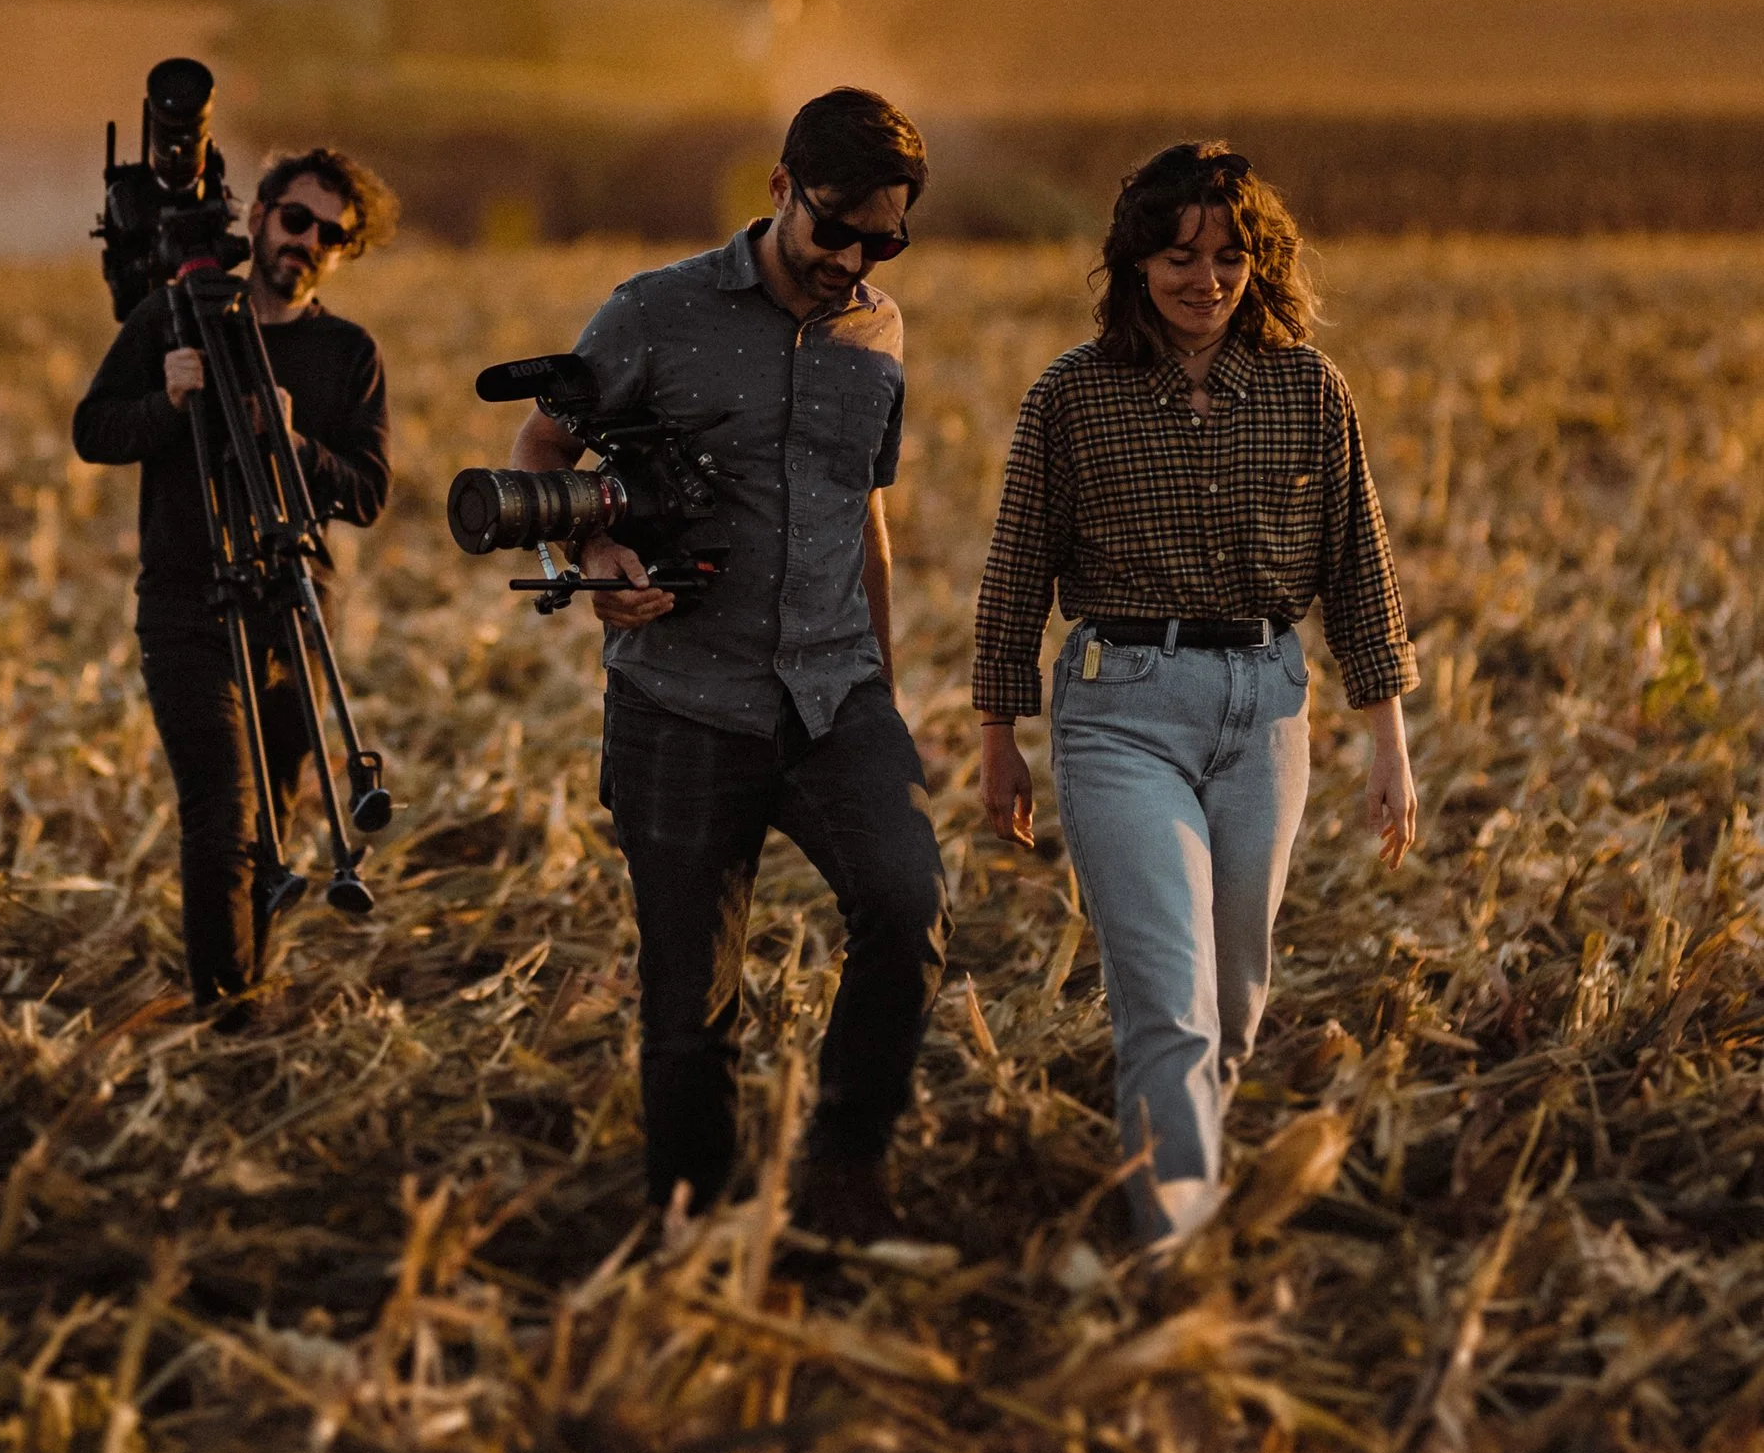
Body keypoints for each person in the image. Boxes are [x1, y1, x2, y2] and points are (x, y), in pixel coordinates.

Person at [512, 87, 950, 1240]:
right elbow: (545, 444)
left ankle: (845, 1167)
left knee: (906, 907)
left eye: (883, 238)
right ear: (778, 190)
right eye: (835, 228)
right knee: (687, 1007)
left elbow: (865, 513)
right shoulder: (652, 313)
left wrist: (885, 694)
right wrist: (597, 552)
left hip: (834, 694)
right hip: (680, 700)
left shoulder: (879, 332)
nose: (852, 259)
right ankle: (691, 1226)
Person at [973, 141, 1419, 1246]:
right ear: (1132, 263)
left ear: (1259, 264)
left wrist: (1389, 746)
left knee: (1233, 1003)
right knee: (1168, 1001)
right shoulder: (1071, 396)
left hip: (1267, 709)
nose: (1204, 279)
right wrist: (997, 736)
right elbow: (1015, 574)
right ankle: (1175, 1250)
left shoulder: (1310, 388)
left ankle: (1183, 1182)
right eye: (1178, 255)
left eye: (1228, 256)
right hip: (1121, 710)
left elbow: (1357, 569)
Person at [72, 147, 394, 1010]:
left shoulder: (346, 352)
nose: (309, 242)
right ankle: (226, 1013)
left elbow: (368, 492)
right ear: (256, 218)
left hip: (291, 604)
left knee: (273, 823)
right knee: (220, 815)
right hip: (184, 599)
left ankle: (243, 986)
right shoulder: (171, 319)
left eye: (332, 235)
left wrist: (291, 445)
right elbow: (93, 429)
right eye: (297, 220)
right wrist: (167, 403)